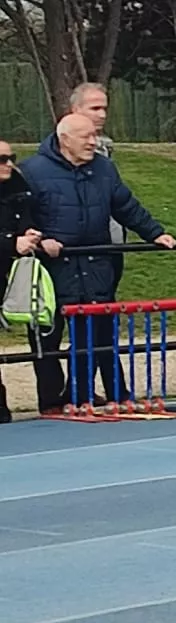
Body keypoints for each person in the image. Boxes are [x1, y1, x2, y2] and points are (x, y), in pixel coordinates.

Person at [21, 113, 175, 411]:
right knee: (47, 337)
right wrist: (39, 240)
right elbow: (21, 215)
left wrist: (154, 233)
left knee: (92, 334)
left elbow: (125, 205)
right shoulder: (32, 171)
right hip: (52, 268)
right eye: (86, 137)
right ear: (65, 139)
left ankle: (80, 396)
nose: (93, 142)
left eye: (95, 135)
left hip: (95, 265)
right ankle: (50, 402)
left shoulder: (104, 169)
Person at [0, 138, 48, 422]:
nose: (8, 164)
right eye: (1, 160)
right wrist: (10, 242)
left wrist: (30, 232)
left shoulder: (18, 185)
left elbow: (26, 216)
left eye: (11, 157)